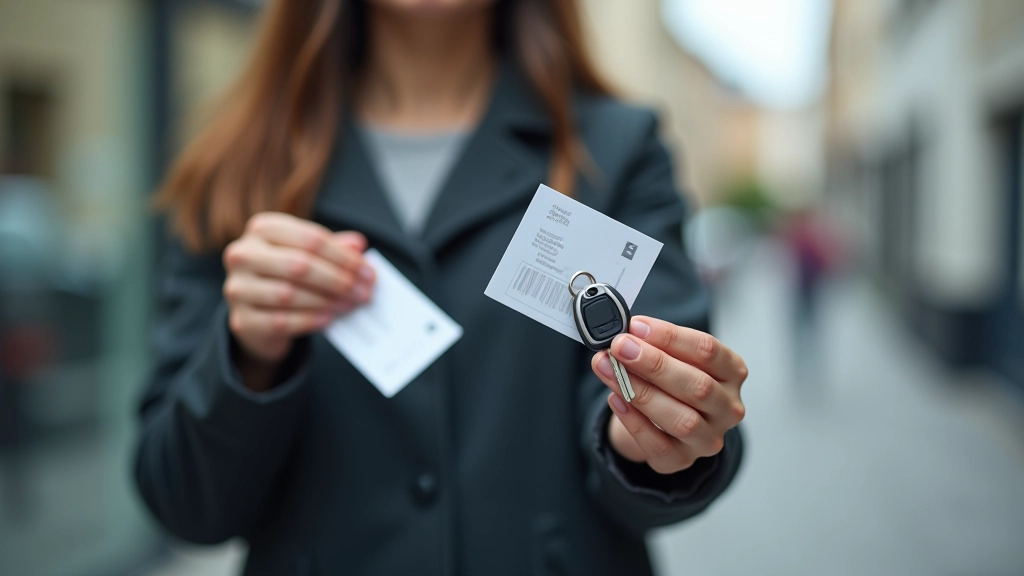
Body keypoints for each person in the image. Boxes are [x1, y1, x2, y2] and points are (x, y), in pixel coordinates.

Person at [134, 0, 748, 574]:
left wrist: (647, 435)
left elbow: (679, 413)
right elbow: (181, 501)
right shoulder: (241, 164)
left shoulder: (615, 150)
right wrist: (248, 358)